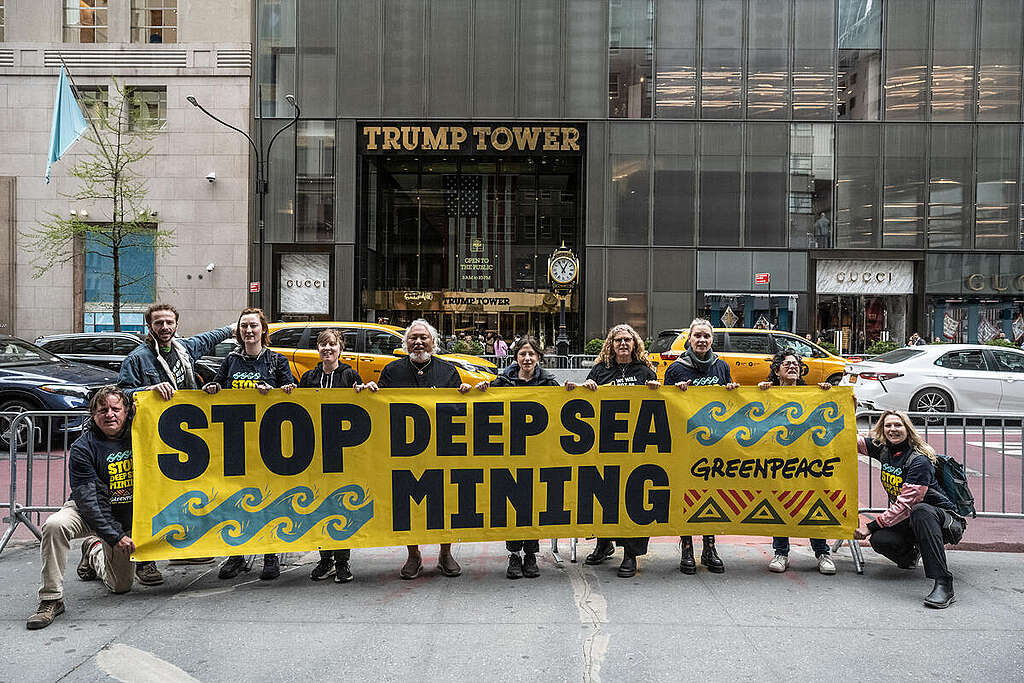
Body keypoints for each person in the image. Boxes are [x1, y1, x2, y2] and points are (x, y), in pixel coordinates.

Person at [117, 302, 234, 579]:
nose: (165, 327)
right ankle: (146, 560)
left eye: (169, 322)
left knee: (186, 495)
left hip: (185, 440)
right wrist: (149, 389)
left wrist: (234, 326)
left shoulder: (184, 349)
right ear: (149, 326)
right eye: (159, 323)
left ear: (177, 324)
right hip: (154, 441)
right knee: (152, 498)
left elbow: (210, 337)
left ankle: (185, 547)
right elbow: (121, 394)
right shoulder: (138, 358)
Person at [361, 319, 472, 579]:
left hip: (440, 449)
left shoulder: (448, 372)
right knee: (407, 502)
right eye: (413, 338)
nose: (418, 342)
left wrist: (466, 394)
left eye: (424, 338)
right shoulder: (391, 371)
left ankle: (446, 554)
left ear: (434, 343)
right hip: (404, 450)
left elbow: (458, 409)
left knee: (444, 501)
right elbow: (380, 407)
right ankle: (413, 555)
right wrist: (371, 391)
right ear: (405, 343)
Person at [27, 387, 140, 629]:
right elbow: (90, 500)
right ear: (93, 415)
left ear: (127, 411)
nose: (109, 414)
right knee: (55, 525)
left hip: (121, 519)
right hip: (86, 511)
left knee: (121, 586)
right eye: (102, 410)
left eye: (115, 409)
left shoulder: (141, 436)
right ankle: (51, 599)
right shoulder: (82, 448)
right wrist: (114, 535)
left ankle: (94, 551)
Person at [203, 307, 296, 581]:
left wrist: (276, 393)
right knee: (236, 499)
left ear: (263, 330)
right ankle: (237, 555)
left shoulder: (277, 362)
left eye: (254, 325)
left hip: (268, 444)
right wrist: (212, 389)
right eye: (244, 326)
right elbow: (217, 387)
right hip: (236, 444)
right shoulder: (230, 361)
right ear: (239, 331)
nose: (249, 331)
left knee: (269, 498)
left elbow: (291, 395)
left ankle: (270, 554)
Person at [567, 324, 661, 578]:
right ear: (611, 343)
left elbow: (662, 402)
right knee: (605, 495)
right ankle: (604, 542)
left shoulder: (644, 370)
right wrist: (584, 388)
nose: (622, 344)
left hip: (637, 446)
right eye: (618, 340)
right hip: (605, 445)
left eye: (627, 340)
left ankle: (630, 554)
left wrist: (656, 389)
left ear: (635, 344)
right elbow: (586, 398)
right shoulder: (600, 370)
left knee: (633, 499)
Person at [854, 411, 964, 608]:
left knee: (920, 510)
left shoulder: (919, 460)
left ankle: (943, 583)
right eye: (888, 426)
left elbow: (906, 504)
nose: (893, 430)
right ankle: (911, 555)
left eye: (898, 425)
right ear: (882, 429)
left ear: (908, 429)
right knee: (880, 540)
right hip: (910, 518)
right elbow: (849, 439)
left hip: (943, 520)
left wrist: (871, 526)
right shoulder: (884, 449)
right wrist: (845, 401)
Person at [472, 335, 558, 579]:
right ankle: (514, 554)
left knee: (533, 505)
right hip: (508, 454)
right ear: (516, 357)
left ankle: (531, 553)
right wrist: (476, 392)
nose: (527, 358)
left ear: (538, 357)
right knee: (512, 505)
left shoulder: (550, 383)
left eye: (531, 354)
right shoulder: (501, 382)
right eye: (523, 354)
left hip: (537, 455)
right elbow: (485, 406)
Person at [664, 318, 739, 575]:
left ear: (712, 339)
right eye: (697, 336)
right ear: (689, 339)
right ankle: (686, 547)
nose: (702, 340)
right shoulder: (676, 369)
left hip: (715, 444)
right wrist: (676, 392)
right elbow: (664, 407)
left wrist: (732, 391)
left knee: (712, 494)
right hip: (686, 445)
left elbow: (731, 406)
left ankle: (709, 547)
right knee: (687, 494)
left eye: (706, 336)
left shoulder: (722, 367)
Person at [757, 350, 837, 575]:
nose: (792, 367)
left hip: (808, 461)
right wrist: (759, 393)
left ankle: (822, 552)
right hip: (777, 461)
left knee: (813, 501)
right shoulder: (766, 392)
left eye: (796, 364)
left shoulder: (813, 393)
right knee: (778, 503)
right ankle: (781, 552)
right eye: (786, 364)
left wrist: (829, 395)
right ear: (776, 369)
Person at [299, 329, 363, 584]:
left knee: (340, 506)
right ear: (318, 349)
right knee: (320, 506)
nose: (327, 349)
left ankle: (342, 562)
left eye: (332, 344)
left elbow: (363, 404)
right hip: (315, 453)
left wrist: (364, 391)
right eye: (323, 344)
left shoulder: (349, 375)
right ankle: (325, 558)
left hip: (342, 453)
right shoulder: (309, 377)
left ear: (340, 349)